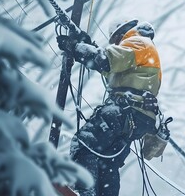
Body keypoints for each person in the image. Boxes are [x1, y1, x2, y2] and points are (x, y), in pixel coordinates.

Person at [57, 19, 162, 196]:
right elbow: (107, 68)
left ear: (121, 33)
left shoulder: (137, 41)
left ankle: (82, 190)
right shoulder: (143, 52)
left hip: (123, 111)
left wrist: (74, 47)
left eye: (115, 41)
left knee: (84, 143)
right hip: (136, 118)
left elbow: (105, 61)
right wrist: (86, 46)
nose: (115, 45)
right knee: (106, 164)